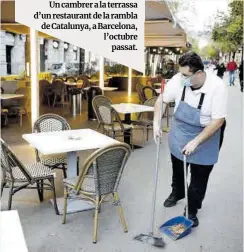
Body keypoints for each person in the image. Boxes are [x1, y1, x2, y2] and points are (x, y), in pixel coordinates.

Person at [153, 52, 227, 227]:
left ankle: (192, 210)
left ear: (199, 74)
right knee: (178, 167)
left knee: (199, 175)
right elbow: (161, 101)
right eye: (181, 74)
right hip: (182, 129)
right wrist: (156, 123)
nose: (181, 78)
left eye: (186, 75)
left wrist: (196, 141)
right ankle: (177, 192)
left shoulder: (217, 87)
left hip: (208, 130)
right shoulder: (178, 80)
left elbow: (218, 120)